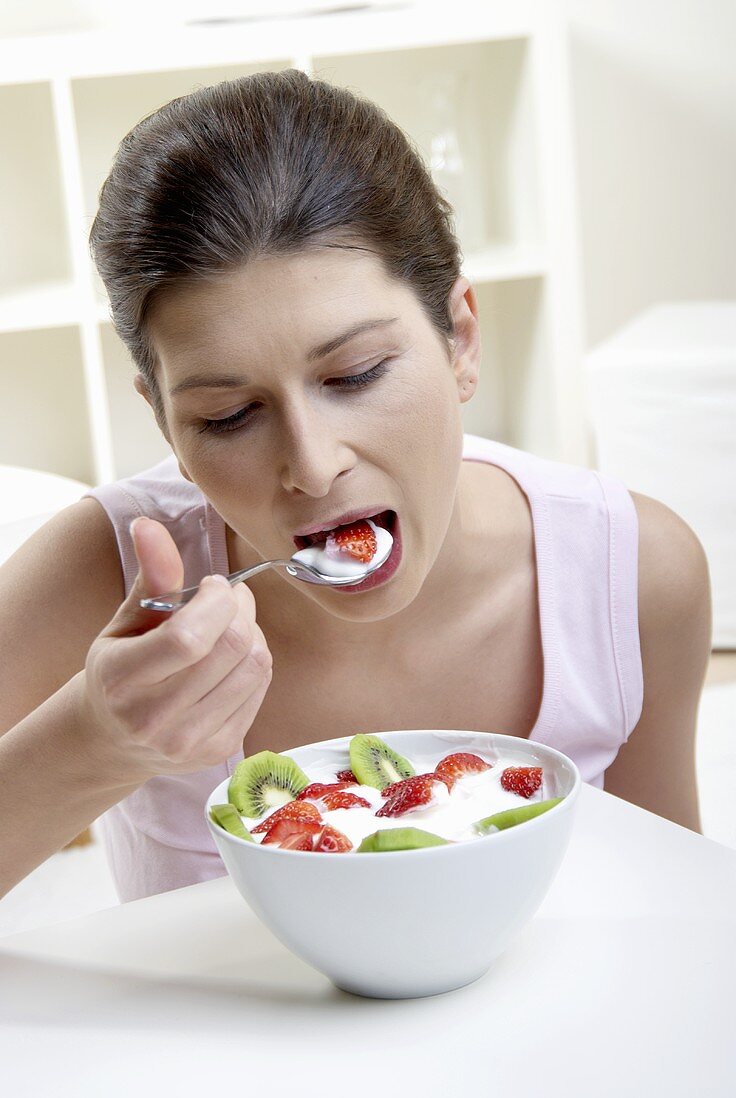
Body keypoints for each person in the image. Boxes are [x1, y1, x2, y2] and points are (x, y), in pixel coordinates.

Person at [0, 70, 711, 904]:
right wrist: (98, 742)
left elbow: (679, 910)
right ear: (167, 429)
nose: (311, 464)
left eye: (358, 372)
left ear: (462, 341)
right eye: (229, 415)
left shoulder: (631, 574)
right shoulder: (98, 577)